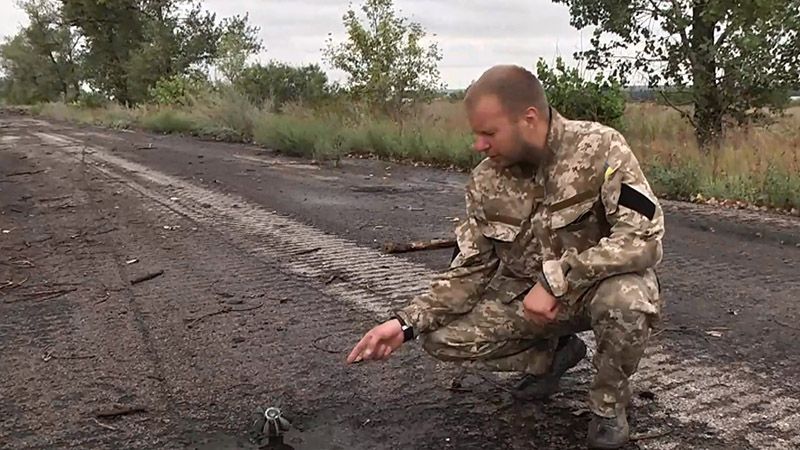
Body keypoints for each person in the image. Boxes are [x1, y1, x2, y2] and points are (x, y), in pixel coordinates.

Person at [346, 64, 665, 449]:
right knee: (439, 338)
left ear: (528, 119)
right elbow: (472, 269)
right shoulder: (485, 180)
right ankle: (556, 352)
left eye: (488, 133)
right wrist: (405, 324)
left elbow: (644, 237)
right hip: (527, 304)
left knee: (628, 300)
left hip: (594, 290)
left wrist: (557, 278)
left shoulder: (601, 148)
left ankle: (608, 406)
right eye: (476, 133)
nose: (479, 144)